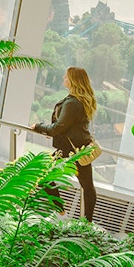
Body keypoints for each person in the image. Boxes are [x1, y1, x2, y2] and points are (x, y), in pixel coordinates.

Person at [32, 67, 98, 222]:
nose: (64, 78)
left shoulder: (72, 103)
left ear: (73, 80)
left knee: (42, 174)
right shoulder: (80, 100)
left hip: (69, 150)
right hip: (80, 148)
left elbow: (58, 127)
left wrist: (38, 126)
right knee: (87, 186)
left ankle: (61, 213)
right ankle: (86, 222)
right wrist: (54, 132)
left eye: (66, 76)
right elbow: (69, 127)